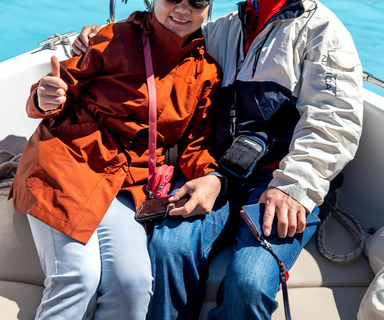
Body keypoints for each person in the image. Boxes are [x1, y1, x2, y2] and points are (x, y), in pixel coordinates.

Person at [73, 0, 364, 319]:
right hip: (218, 173)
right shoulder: (224, 29)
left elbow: (335, 121)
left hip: (280, 181)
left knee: (249, 283)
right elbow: (164, 34)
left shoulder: (322, 30)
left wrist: (295, 186)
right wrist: (109, 35)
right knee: (167, 250)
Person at [9, 0, 225, 319]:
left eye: (196, 1)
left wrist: (211, 177)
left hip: (126, 186)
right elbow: (56, 92)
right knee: (77, 278)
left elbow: (194, 142)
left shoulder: (205, 71)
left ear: (208, 6)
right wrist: (43, 97)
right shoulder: (114, 38)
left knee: (134, 285)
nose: (182, 9)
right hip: (69, 163)